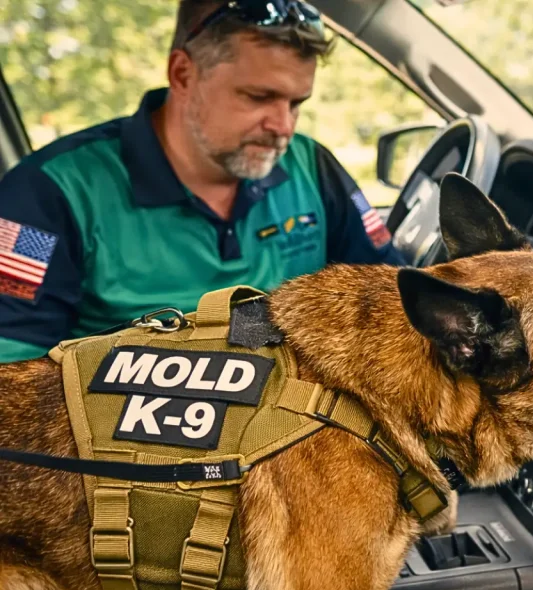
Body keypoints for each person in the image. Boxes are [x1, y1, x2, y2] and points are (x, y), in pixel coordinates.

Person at [0, 0, 407, 363]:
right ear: (182, 74)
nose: (283, 127)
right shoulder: (47, 194)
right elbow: (12, 374)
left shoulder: (311, 166)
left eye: (296, 103)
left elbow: (393, 300)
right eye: (258, 97)